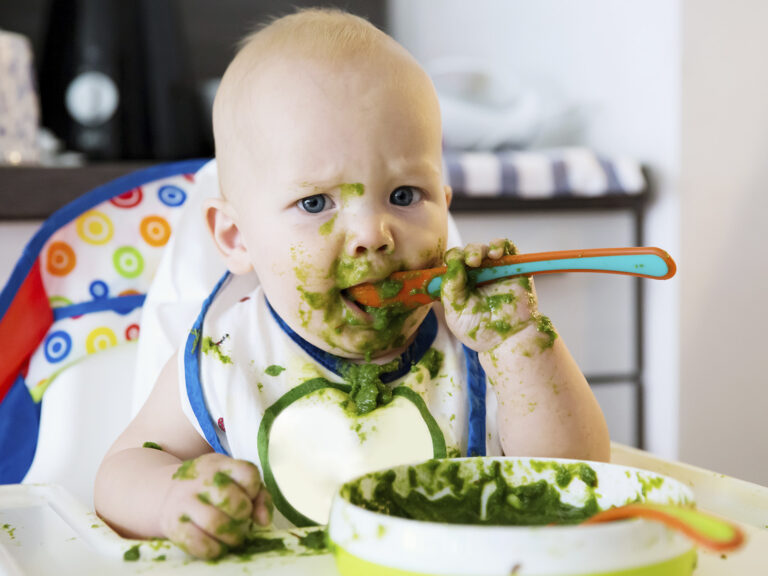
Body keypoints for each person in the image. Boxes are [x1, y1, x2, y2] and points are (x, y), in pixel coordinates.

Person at [94, 8, 610, 560]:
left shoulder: (477, 347)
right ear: (236, 236)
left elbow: (579, 478)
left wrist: (520, 346)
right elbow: (121, 473)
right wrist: (175, 497)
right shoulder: (225, 355)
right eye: (315, 202)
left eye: (406, 195)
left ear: (445, 206)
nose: (372, 233)